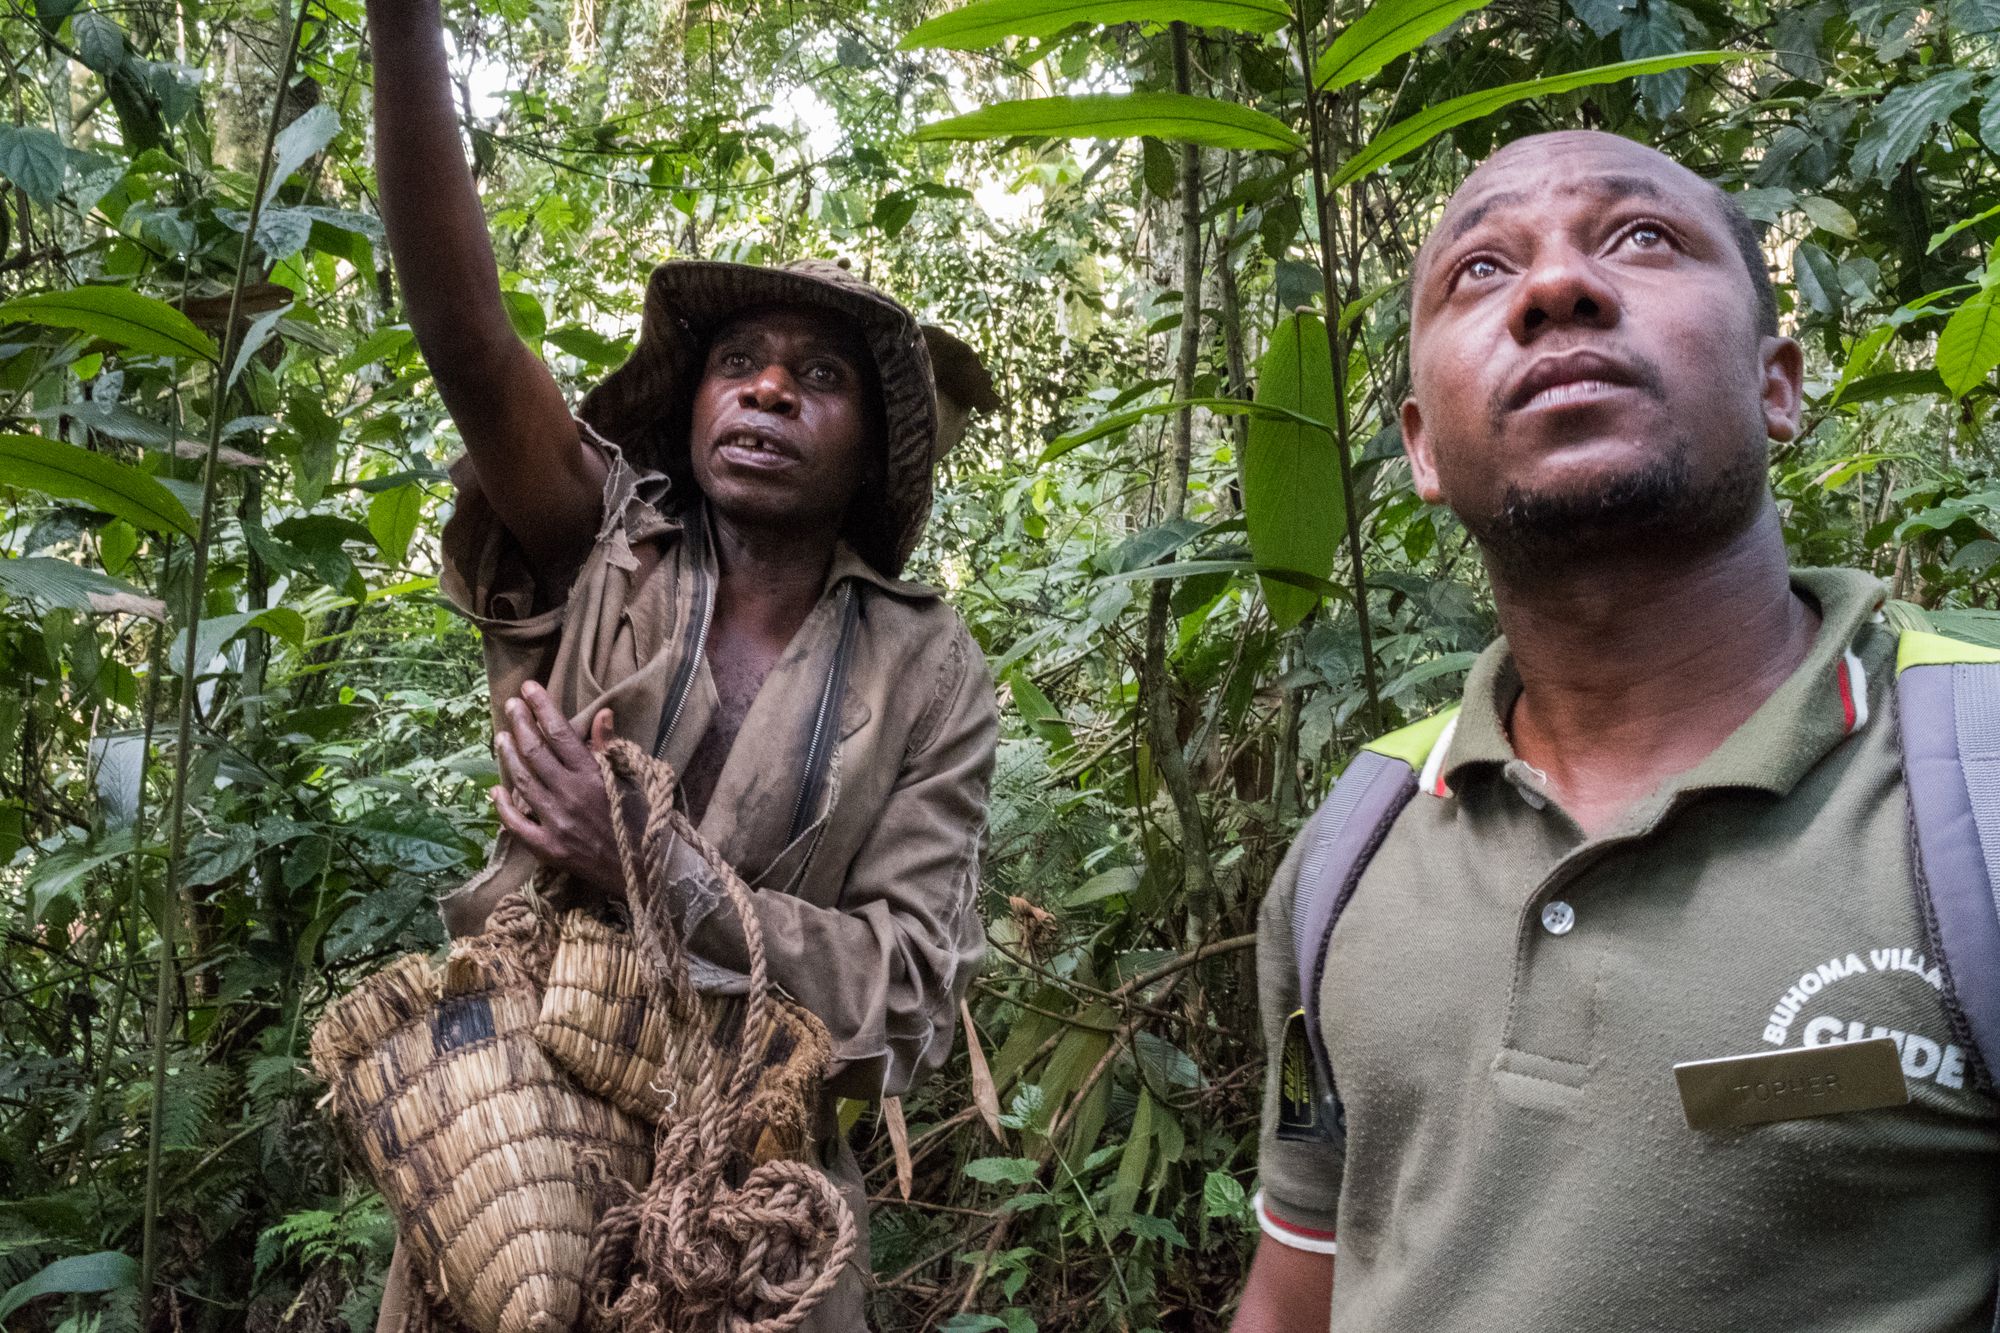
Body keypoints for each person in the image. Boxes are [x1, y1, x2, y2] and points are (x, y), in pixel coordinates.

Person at [1233, 130, 2000, 1332]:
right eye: (1479, 271)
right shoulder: (1356, 839)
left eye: (1640, 238)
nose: (1553, 288)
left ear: (1775, 382)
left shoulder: (1973, 782)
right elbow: (1299, 1288)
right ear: (1422, 448)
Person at [360, 0, 1003, 1327]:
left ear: (875, 446)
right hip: (510, 1181)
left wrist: (651, 863)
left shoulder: (931, 670)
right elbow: (471, 344)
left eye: (817, 375)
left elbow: (906, 996)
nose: (769, 389)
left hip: (757, 1224)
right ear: (693, 402)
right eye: (740, 365)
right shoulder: (605, 546)